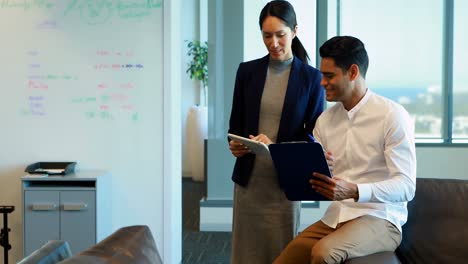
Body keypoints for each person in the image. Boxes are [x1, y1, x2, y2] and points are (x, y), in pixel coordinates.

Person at [273, 35, 417, 264]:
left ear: (352, 72)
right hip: (337, 217)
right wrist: (318, 171)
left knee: (324, 252)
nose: (321, 82)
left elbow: (407, 186)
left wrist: (355, 190)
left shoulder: (392, 115)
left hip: (380, 218)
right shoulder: (325, 121)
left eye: (329, 76)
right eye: (322, 75)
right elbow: (321, 184)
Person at [227, 1, 325, 263]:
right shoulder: (247, 72)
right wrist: (234, 144)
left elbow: (314, 138)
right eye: (267, 35)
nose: (273, 42)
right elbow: (235, 125)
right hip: (250, 181)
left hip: (284, 184)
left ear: (294, 30)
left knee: (282, 253)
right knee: (245, 252)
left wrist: (276, 146)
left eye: (280, 34)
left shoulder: (312, 79)